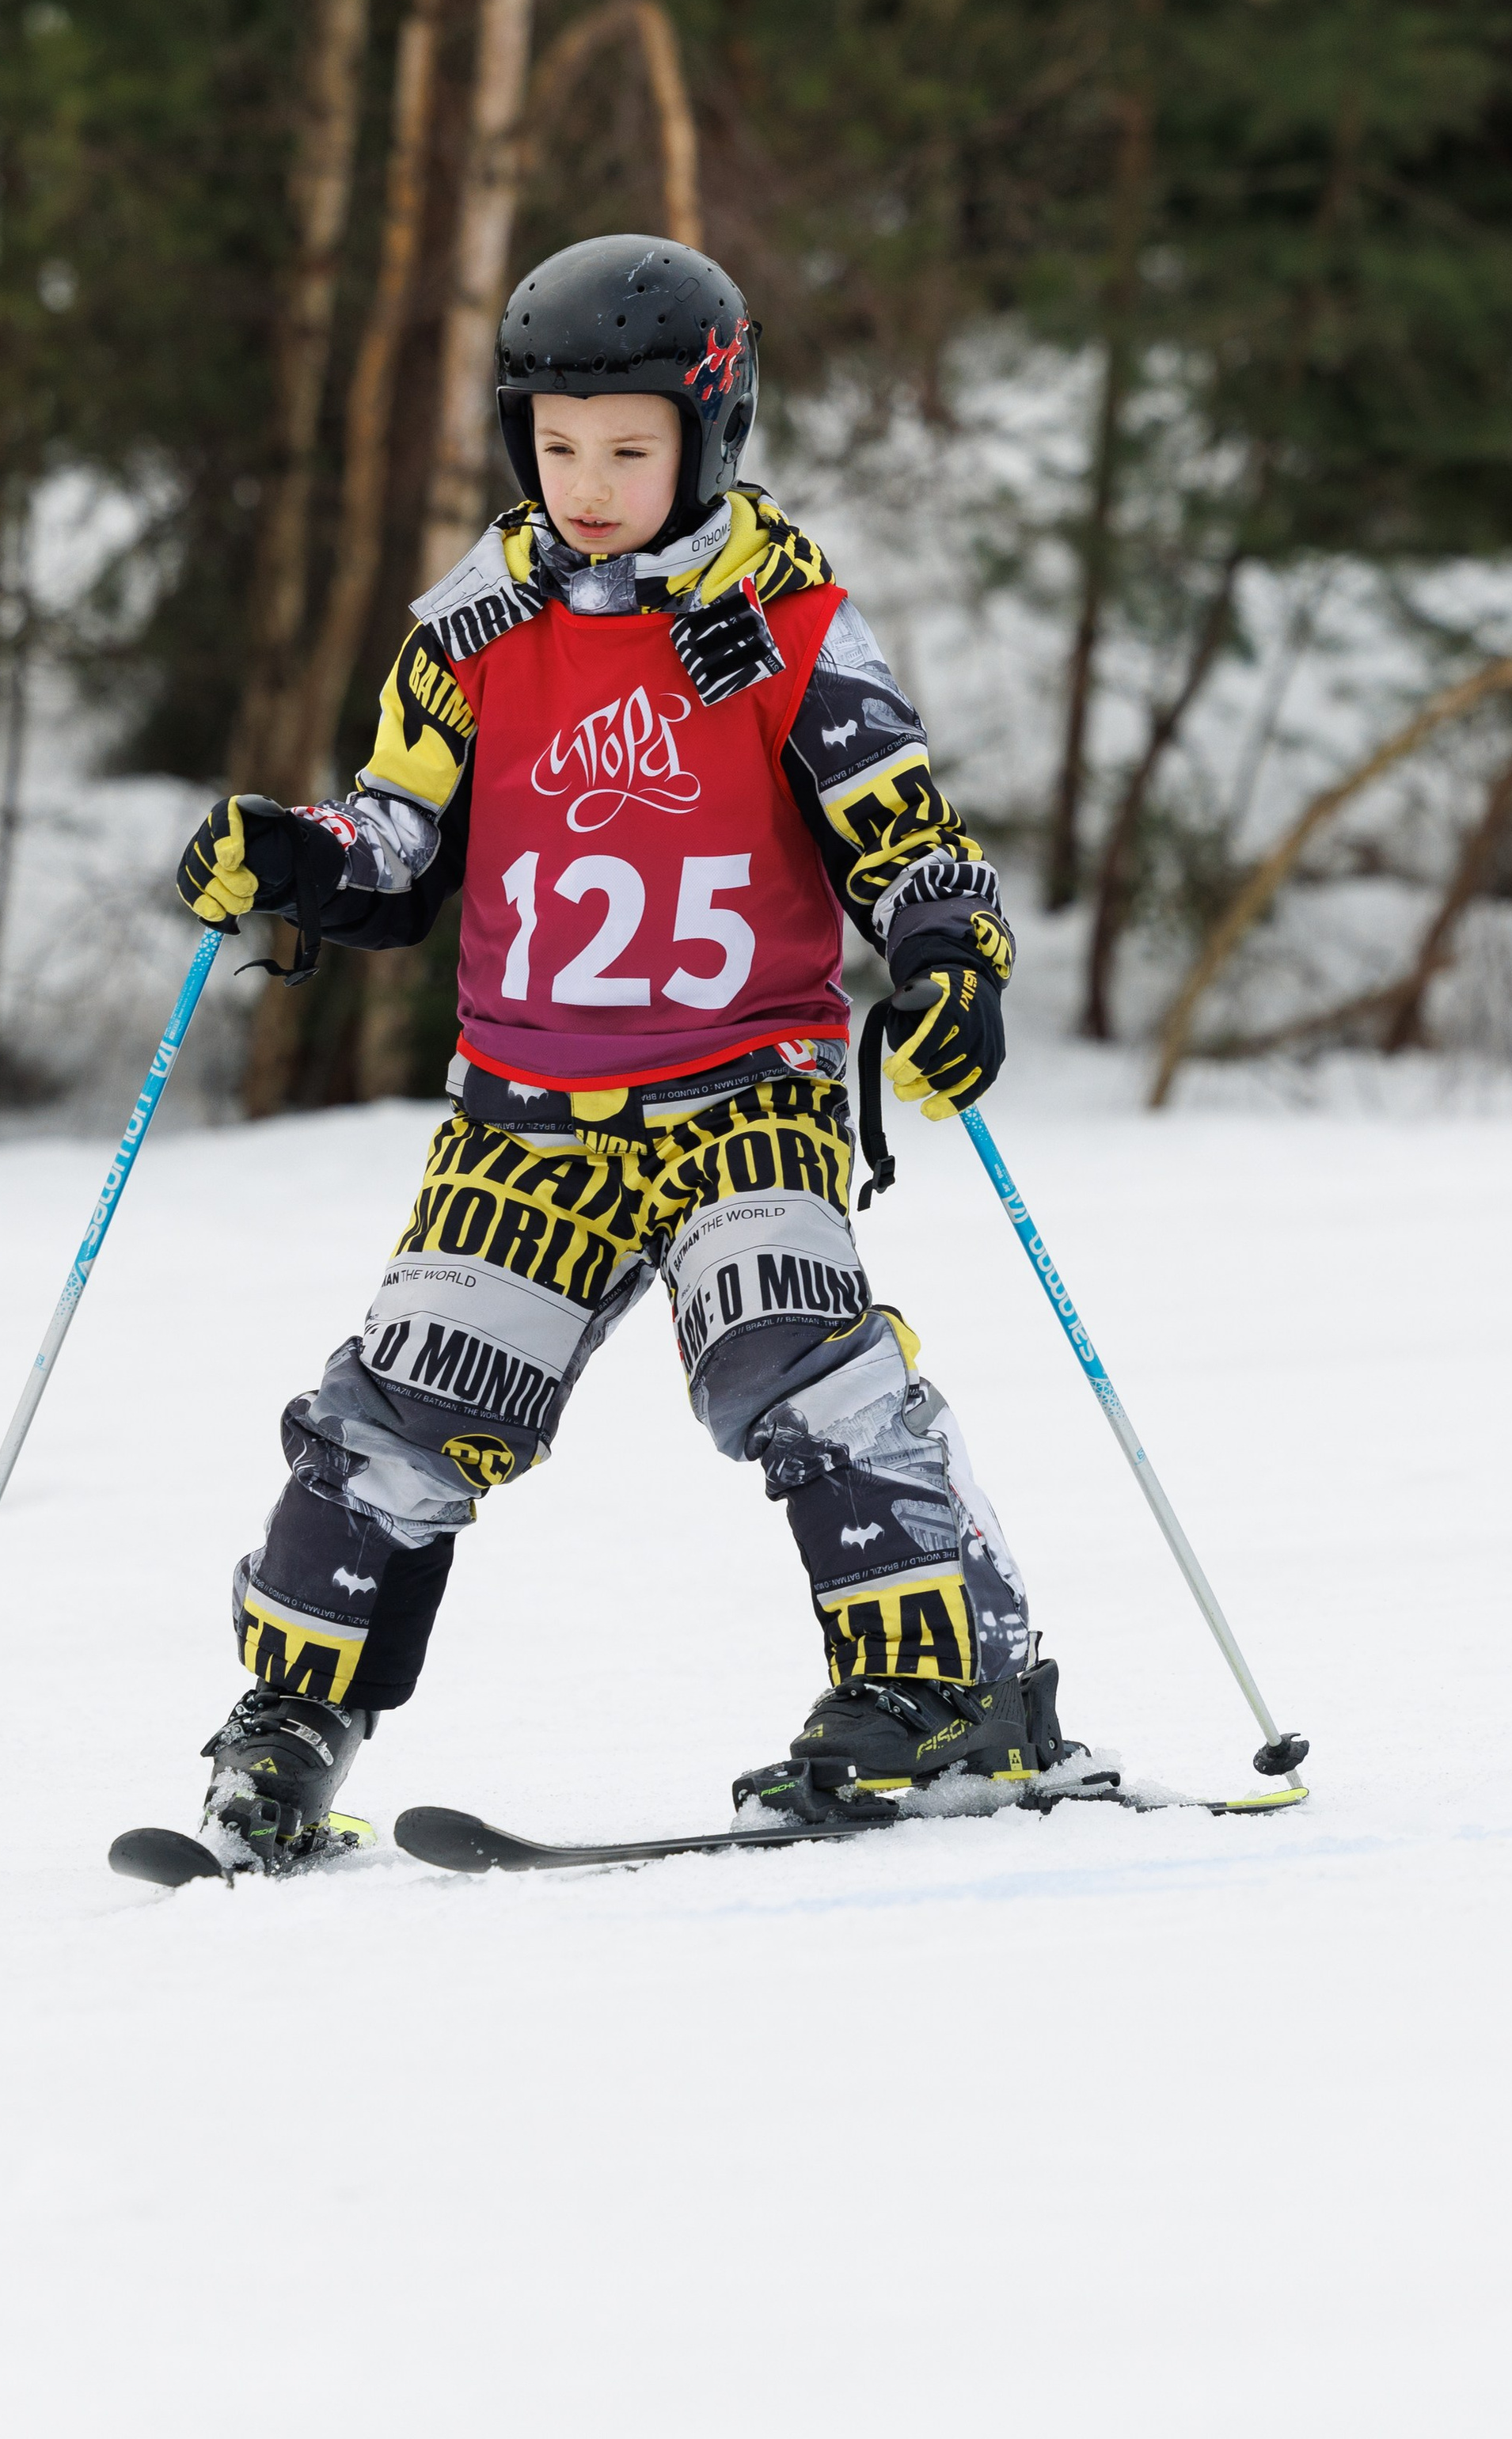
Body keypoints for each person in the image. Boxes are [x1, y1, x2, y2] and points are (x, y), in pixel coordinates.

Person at [173, 232, 1071, 1869]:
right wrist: (287, 858)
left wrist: (946, 959)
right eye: (555, 444)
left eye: (628, 448)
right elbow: (388, 845)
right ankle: (291, 1724)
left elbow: (904, 835)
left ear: (708, 434)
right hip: (529, 1112)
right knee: (403, 1400)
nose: (586, 483)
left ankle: (953, 1691)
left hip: (746, 1084)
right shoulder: (472, 630)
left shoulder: (783, 614)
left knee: (785, 1355)